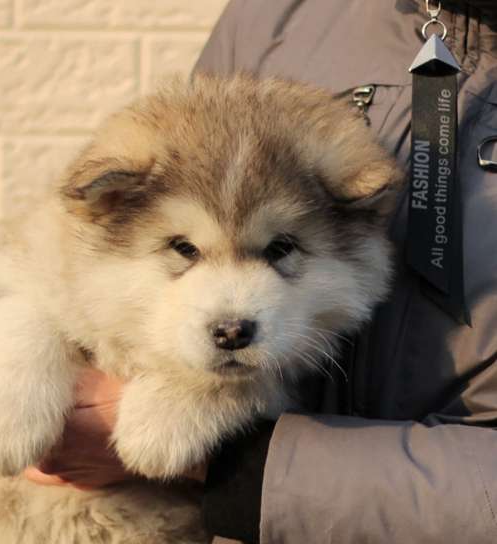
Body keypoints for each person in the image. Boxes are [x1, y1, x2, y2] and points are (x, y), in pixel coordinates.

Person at [25, 1, 497, 542]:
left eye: (276, 252)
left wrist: (239, 460)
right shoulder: (278, 12)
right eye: (186, 248)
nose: (231, 309)